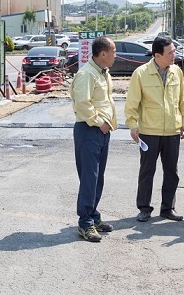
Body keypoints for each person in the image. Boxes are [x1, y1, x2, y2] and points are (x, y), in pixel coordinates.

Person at [125, 36, 184, 223]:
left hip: (172, 130)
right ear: (157, 55)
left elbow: (183, 99)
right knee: (147, 170)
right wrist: (133, 125)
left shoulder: (176, 71)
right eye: (170, 53)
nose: (174, 55)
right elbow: (132, 103)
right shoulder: (141, 73)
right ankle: (144, 208)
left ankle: (168, 208)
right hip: (149, 131)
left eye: (174, 52)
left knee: (172, 171)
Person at [70, 36, 117, 242]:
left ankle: (93, 215)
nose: (116, 55)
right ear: (103, 54)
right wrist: (100, 123)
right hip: (89, 130)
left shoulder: (102, 73)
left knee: (98, 177)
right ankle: (85, 223)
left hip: (102, 131)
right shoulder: (86, 74)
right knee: (89, 177)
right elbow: (82, 104)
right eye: (113, 52)